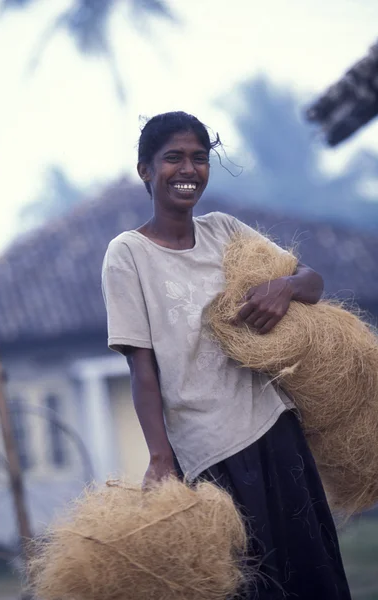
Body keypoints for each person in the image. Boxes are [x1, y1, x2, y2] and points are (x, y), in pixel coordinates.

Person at [102, 111, 352, 599]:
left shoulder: (224, 232)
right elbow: (142, 367)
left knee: (314, 579)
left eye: (200, 158)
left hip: (275, 430)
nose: (188, 170)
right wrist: (159, 457)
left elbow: (313, 281)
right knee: (250, 585)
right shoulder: (127, 254)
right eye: (173, 158)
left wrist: (284, 286)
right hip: (208, 453)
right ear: (145, 170)